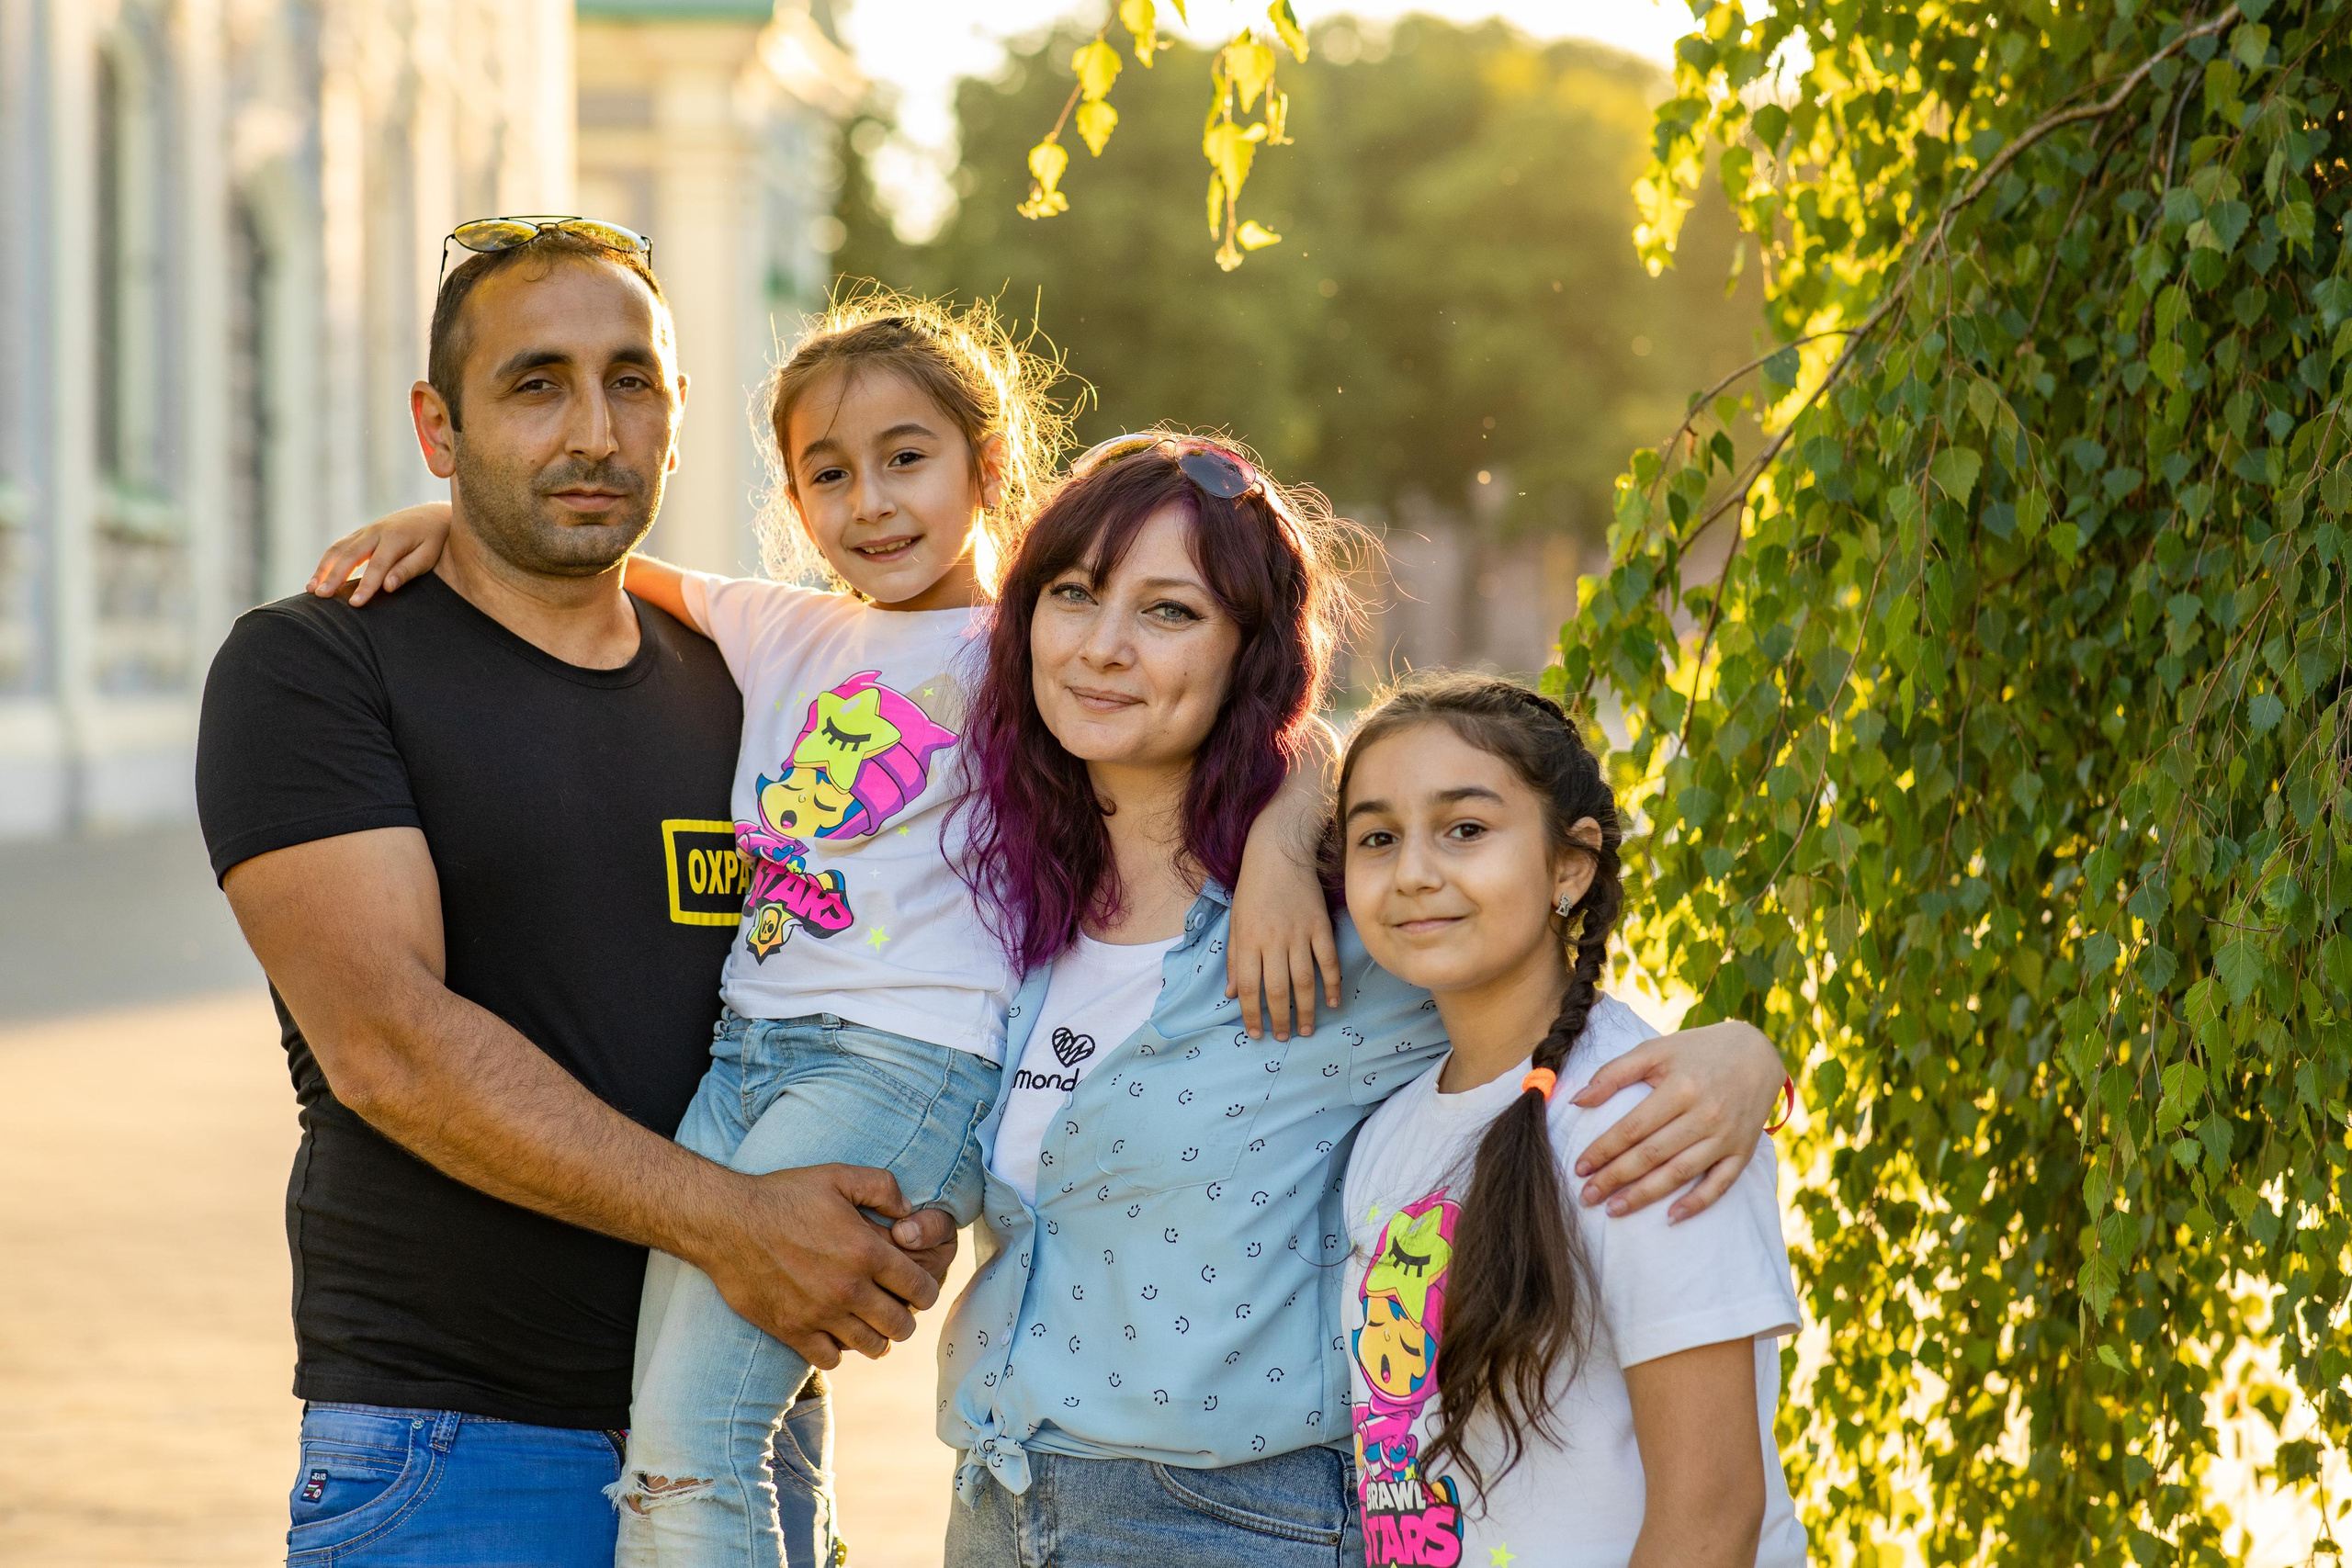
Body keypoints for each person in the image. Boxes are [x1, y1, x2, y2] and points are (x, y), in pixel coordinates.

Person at [304, 298, 1340, 1567]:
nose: (873, 503)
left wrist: (1292, 837)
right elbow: (592, 563)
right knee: (678, 1433)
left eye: (909, 458)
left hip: (902, 1066)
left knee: (689, 1450)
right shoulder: (786, 628)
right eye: (827, 474)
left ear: (988, 465)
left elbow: (1265, 710)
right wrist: (441, 524)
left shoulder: (1028, 639)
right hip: (748, 1057)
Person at [197, 221, 953, 1568]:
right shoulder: (318, 667)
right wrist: (745, 1223)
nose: (593, 430)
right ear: (442, 426)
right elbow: (387, 1047)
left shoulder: (751, 683)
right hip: (460, 1450)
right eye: (535, 384)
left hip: (749, 1422)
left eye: (631, 381)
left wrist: (892, 1208)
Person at [934, 433, 1793, 1565]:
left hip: (1236, 1527)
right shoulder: (1000, 903)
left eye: (1169, 611)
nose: (1103, 647)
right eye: (1074, 594)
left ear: (1250, 651)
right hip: (997, 1500)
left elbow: (1551, 996)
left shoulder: (1357, 918)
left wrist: (1745, 1057)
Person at [1336, 673, 1808, 1567]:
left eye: (1465, 830)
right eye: (1377, 838)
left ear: (1569, 863)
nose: (1413, 872)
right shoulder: (1388, 1138)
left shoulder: (1651, 1120)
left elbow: (1710, 1515)